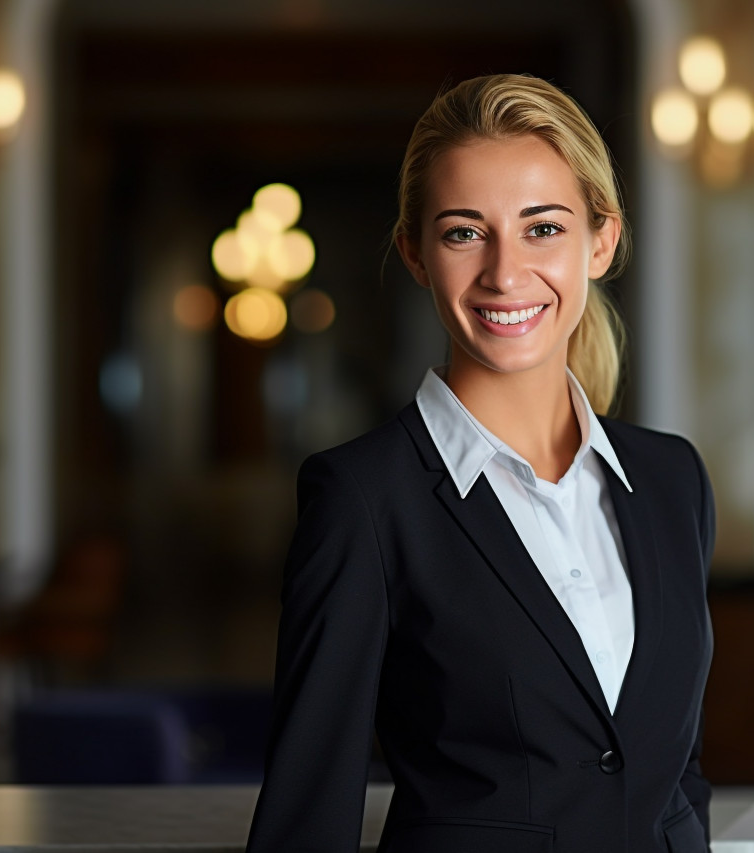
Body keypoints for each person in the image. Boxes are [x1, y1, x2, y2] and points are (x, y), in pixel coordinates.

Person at [246, 73, 714, 853]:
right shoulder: (363, 498)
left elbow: (676, 769)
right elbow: (309, 806)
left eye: (543, 228)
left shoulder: (672, 481)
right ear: (416, 252)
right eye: (465, 231)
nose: (503, 272)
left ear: (601, 241)